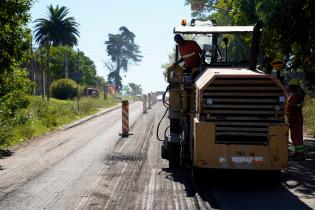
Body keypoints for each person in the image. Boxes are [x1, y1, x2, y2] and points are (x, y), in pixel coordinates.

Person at [285, 79, 306, 161]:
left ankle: (301, 155)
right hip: (296, 118)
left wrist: (286, 115)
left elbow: (291, 109)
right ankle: (298, 153)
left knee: (297, 137)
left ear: (292, 86)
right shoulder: (298, 95)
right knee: (295, 136)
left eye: (290, 86)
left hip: (295, 119)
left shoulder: (295, 96)